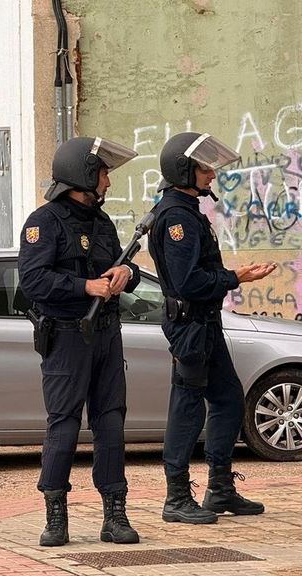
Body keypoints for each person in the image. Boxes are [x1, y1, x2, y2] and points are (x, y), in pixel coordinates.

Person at [18, 136, 141, 547]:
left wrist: (127, 276)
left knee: (111, 421)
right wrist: (83, 286)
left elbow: (122, 267)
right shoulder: (44, 222)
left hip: (107, 333)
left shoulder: (102, 223)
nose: (108, 182)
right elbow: (33, 281)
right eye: (103, 173)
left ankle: (115, 513)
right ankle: (56, 516)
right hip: (67, 336)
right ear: (84, 175)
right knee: (64, 426)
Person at [147, 132, 276, 525]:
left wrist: (232, 275)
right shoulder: (177, 219)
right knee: (186, 408)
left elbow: (203, 274)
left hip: (204, 322)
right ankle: (176, 498)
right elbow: (189, 283)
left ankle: (220, 488)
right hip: (190, 325)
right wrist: (236, 277)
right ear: (183, 170)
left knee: (229, 399)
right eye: (204, 168)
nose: (211, 176)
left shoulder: (188, 211)